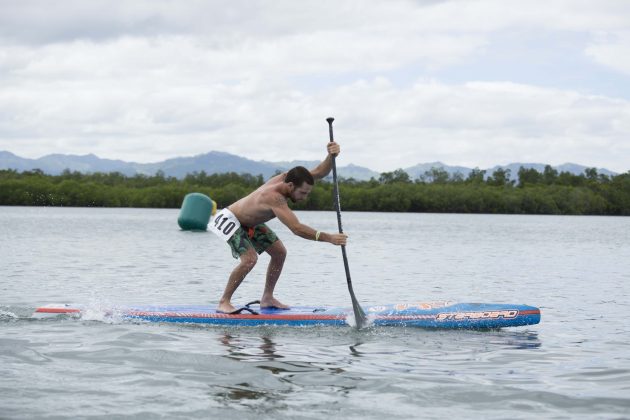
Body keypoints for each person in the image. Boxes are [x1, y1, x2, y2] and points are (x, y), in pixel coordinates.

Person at [212, 141, 347, 314]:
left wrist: (331, 155)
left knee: (279, 253)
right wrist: (329, 238)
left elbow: (320, 172)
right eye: (303, 193)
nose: (305, 197)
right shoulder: (275, 198)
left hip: (251, 222)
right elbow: (296, 228)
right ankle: (224, 301)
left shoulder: (289, 177)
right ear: (290, 186)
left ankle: (267, 298)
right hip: (231, 219)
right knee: (250, 259)